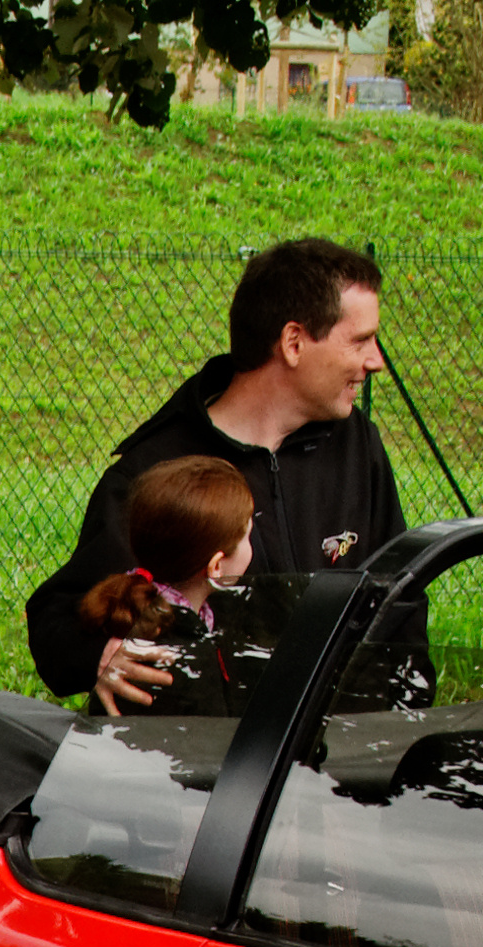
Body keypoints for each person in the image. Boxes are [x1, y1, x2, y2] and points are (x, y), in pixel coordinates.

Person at [27, 239, 405, 711]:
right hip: (209, 765)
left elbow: (401, 600)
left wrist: (403, 713)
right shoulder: (159, 469)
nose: (376, 361)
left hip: (337, 760)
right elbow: (55, 618)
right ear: (293, 343)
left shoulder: (356, 445)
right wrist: (99, 657)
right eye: (360, 340)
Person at [72, 455, 261, 717]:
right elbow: (212, 735)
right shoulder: (185, 650)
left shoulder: (139, 607)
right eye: (247, 535)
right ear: (216, 566)